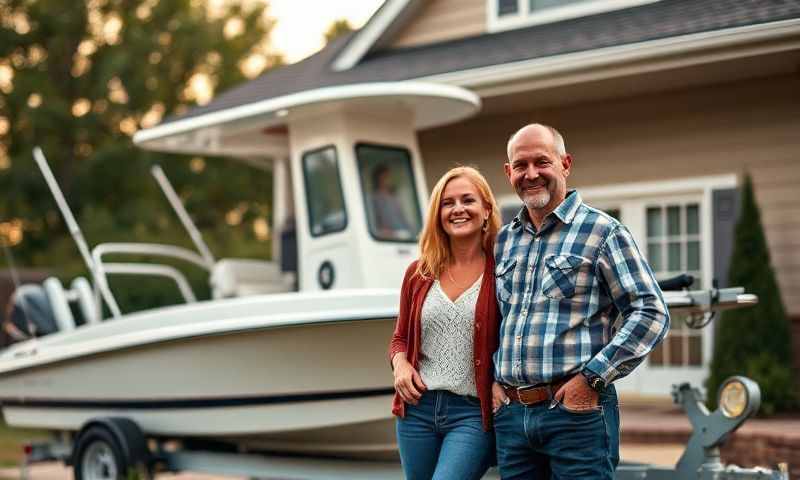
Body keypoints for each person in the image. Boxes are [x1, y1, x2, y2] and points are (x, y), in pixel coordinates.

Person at [491, 124, 670, 479]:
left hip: (577, 415)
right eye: (520, 165)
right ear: (508, 172)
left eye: (542, 162)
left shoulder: (603, 231)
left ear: (565, 164)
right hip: (512, 418)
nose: (531, 174)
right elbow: (497, 319)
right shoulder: (503, 241)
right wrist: (493, 383)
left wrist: (592, 380)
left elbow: (651, 312)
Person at [389, 166, 501, 480]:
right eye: (448, 202)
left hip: (471, 414)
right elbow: (400, 338)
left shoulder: (501, 271)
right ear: (438, 213)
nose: (458, 209)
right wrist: (400, 365)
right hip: (417, 411)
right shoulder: (418, 273)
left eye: (468, 200)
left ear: (486, 209)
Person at [370, 164, 414, 240]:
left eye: (388, 177)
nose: (387, 180)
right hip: (385, 236)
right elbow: (374, 220)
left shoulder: (394, 197)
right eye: (384, 177)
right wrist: (382, 230)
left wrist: (411, 230)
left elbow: (402, 217)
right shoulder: (374, 198)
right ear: (378, 179)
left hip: (402, 233)